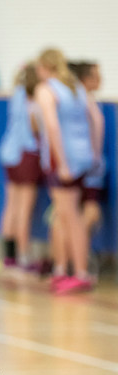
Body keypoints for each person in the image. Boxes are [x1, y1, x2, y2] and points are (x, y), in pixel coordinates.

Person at [34, 49, 96, 295]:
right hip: (83, 156)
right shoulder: (76, 87)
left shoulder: (46, 89)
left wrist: (61, 161)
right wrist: (93, 151)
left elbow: (51, 126)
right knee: (67, 215)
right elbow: (96, 120)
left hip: (63, 159)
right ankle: (65, 269)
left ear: (44, 67)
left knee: (69, 217)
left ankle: (80, 272)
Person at [0, 63, 42, 271]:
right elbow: (36, 128)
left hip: (8, 153)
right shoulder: (35, 104)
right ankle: (24, 256)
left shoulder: (16, 95)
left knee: (11, 207)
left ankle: (9, 256)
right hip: (26, 154)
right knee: (24, 209)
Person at [69, 62, 106, 265]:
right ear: (85, 79)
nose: (101, 81)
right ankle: (75, 262)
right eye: (96, 76)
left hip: (83, 163)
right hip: (87, 165)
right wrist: (94, 161)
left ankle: (67, 263)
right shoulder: (81, 101)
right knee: (86, 214)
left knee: (72, 215)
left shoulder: (80, 100)